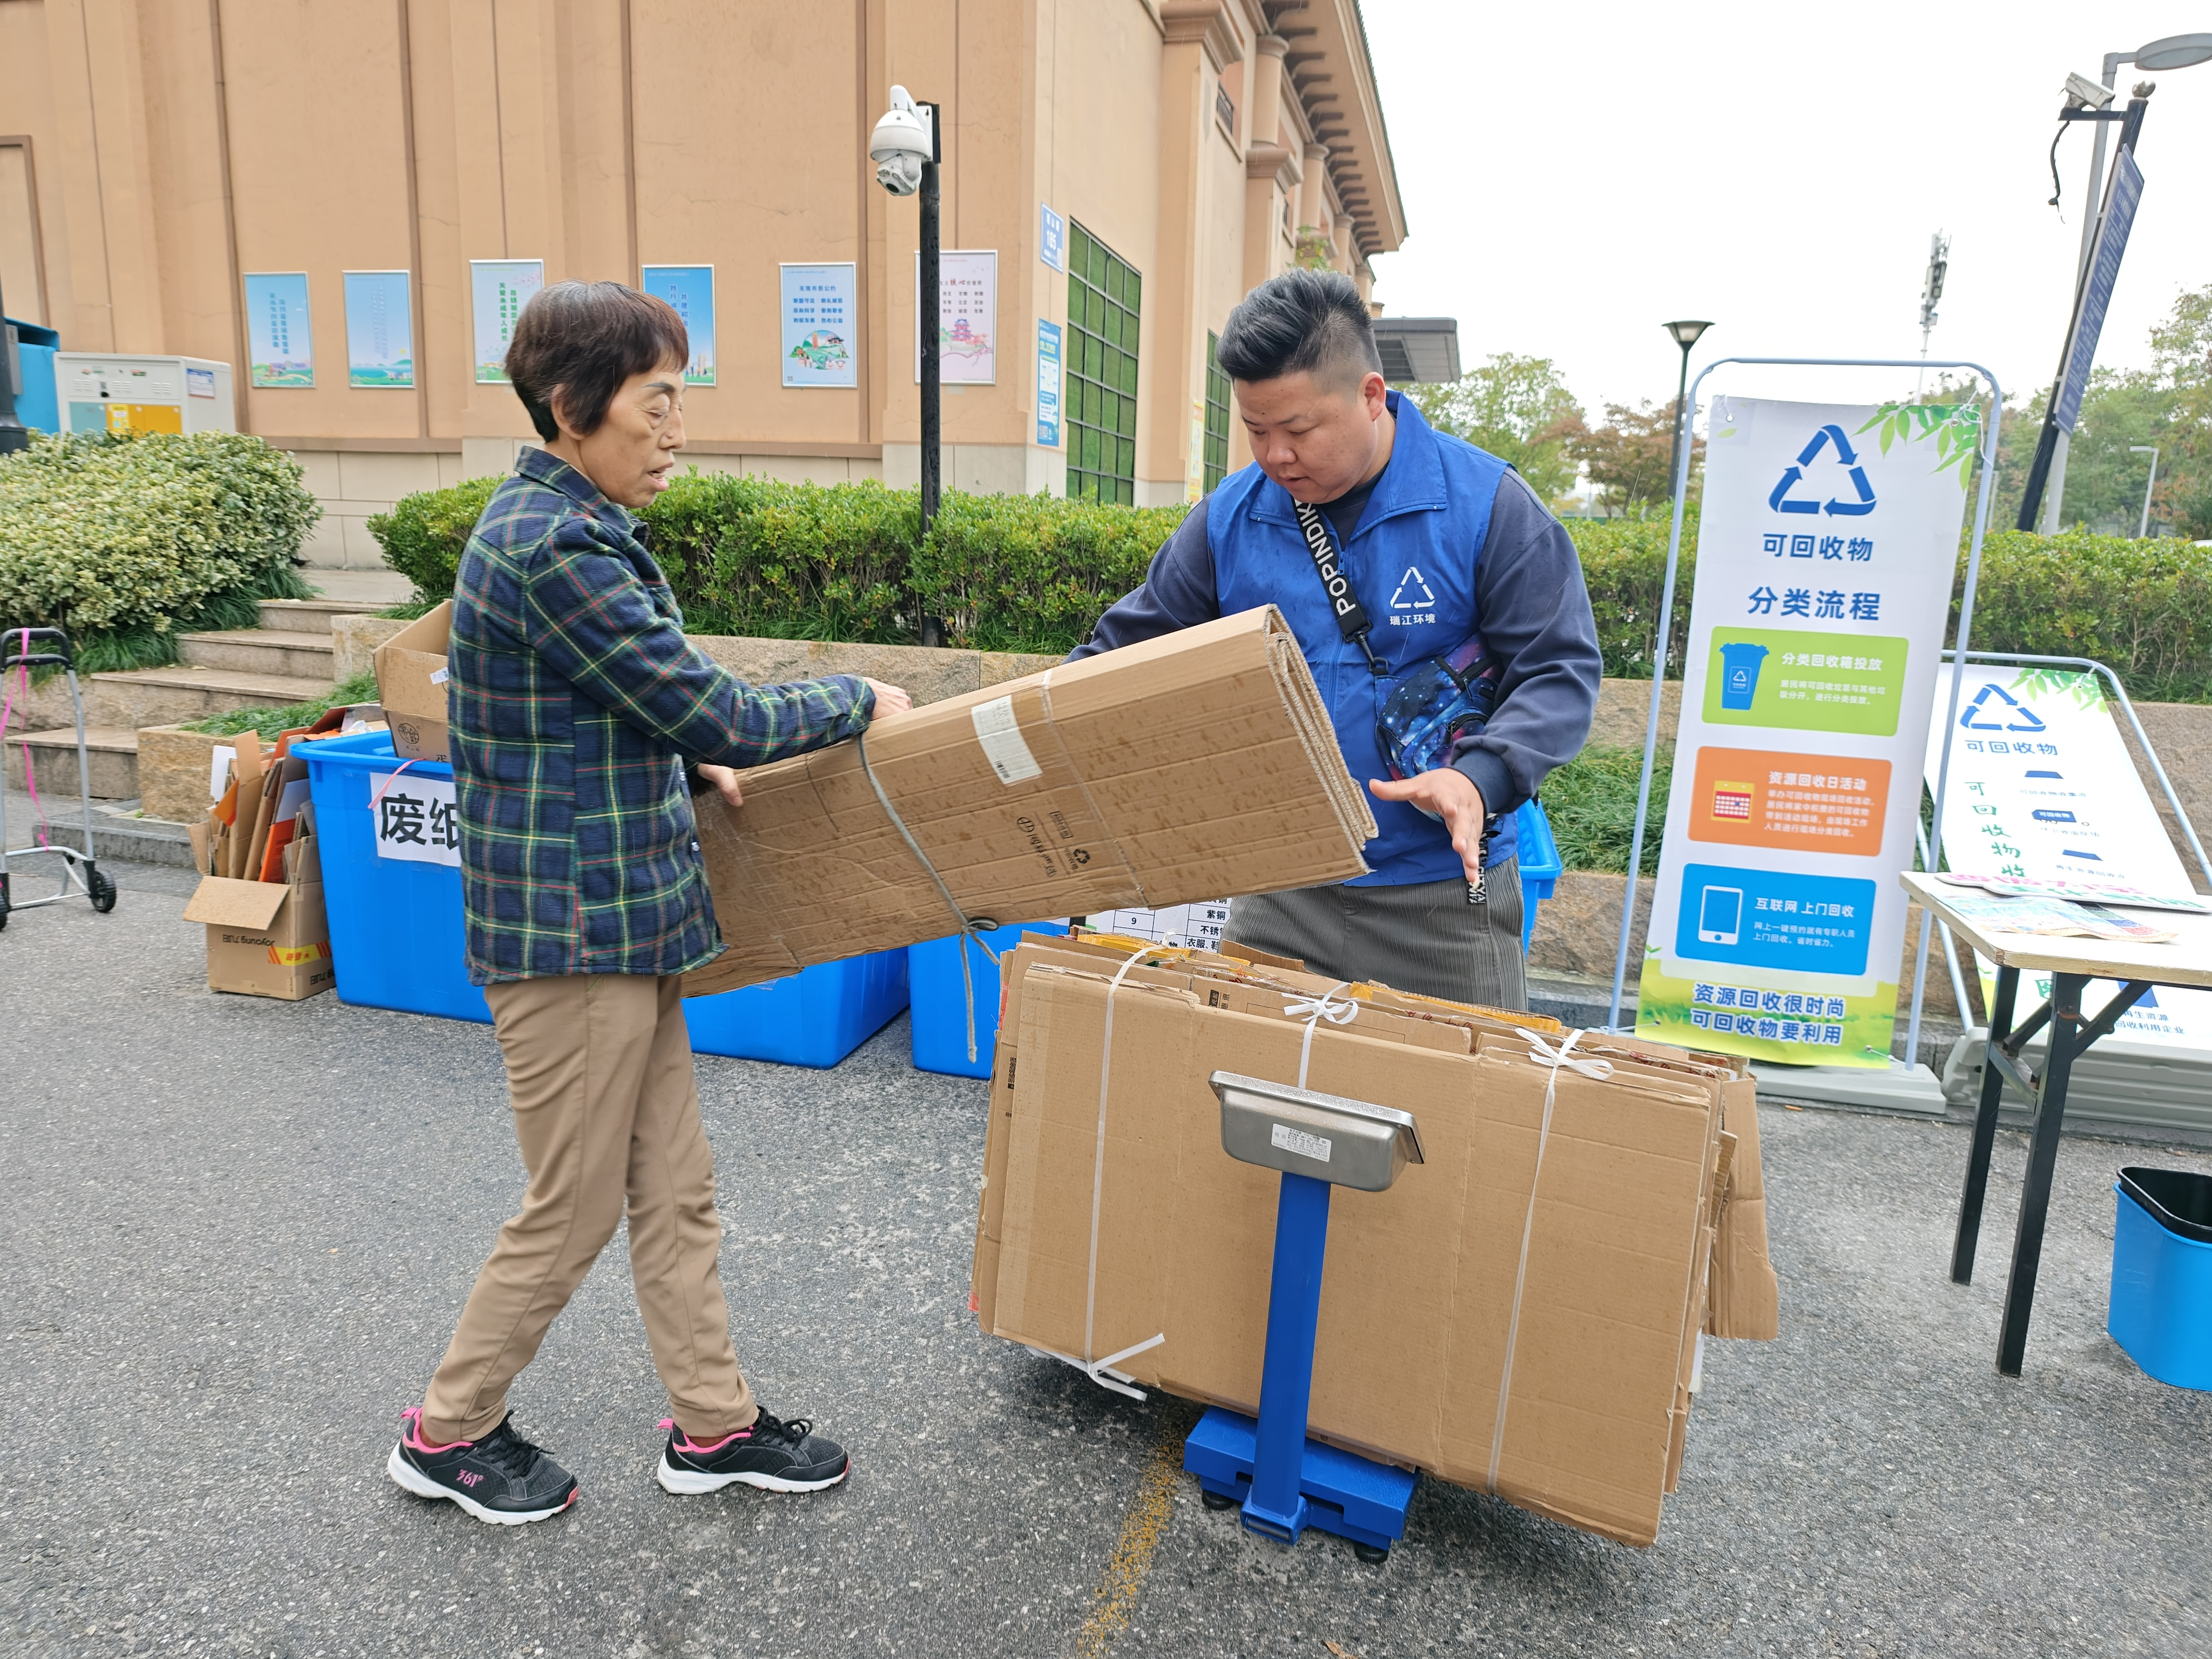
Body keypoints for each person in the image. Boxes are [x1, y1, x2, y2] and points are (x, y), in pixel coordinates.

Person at [386, 281, 912, 1525]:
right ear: (573, 410)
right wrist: (855, 699)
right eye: (654, 402)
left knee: (673, 1190)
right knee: (568, 1209)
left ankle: (713, 1425)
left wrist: (684, 756)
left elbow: (592, 706)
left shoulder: (566, 527)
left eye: (679, 399)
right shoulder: (552, 543)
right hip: (571, 940)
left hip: (618, 923)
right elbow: (712, 704)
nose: (676, 429)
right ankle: (445, 1432)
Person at [1073, 269, 1600, 1008]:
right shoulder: (1233, 517)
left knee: (1455, 1116)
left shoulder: (1487, 507)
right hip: (1283, 891)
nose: (1275, 456)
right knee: (1260, 1106)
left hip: (1443, 897)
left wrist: (1479, 778)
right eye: (1256, 430)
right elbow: (1128, 646)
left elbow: (1558, 671)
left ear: (1371, 395)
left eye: (1297, 430)